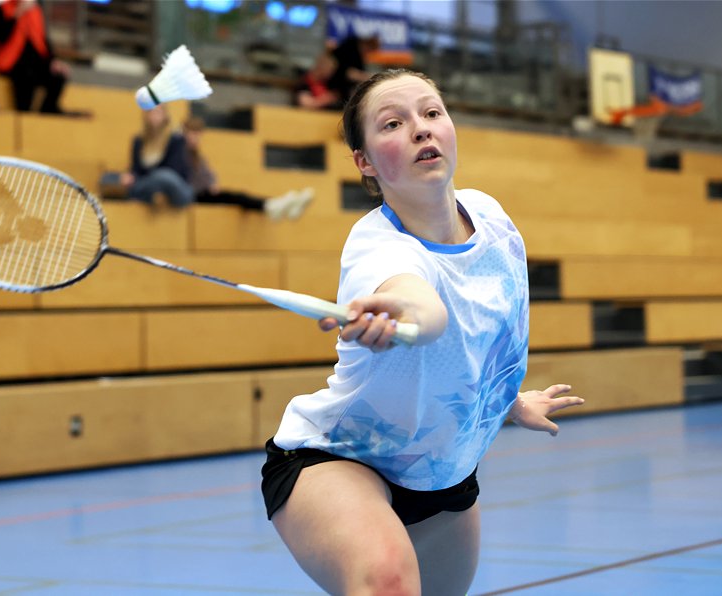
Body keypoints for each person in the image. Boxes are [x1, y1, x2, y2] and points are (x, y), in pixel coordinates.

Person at [261, 69, 584, 595]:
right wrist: (400, 316)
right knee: (388, 581)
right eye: (393, 123)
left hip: (441, 471)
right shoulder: (378, 246)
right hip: (338, 456)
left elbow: (474, 337)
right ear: (364, 161)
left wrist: (502, 402)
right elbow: (427, 312)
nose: (421, 129)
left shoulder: (492, 218)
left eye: (432, 113)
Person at [121, 105, 313, 220]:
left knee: (231, 195)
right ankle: (272, 205)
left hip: (187, 191)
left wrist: (210, 183)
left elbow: (186, 174)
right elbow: (139, 169)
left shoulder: (177, 144)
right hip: (170, 188)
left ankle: (273, 205)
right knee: (159, 178)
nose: (195, 138)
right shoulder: (142, 141)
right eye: (192, 133)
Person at [0, 0, 69, 113]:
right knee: (25, 77)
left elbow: (41, 40)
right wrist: (19, 12)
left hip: (32, 62)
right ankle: (24, 113)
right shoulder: (0, 10)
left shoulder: (35, 11)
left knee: (58, 76)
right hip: (9, 62)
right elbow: (1, 36)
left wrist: (53, 61)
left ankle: (47, 109)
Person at [325, 34, 380, 105]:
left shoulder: (357, 53)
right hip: (335, 85)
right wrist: (364, 76)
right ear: (367, 45)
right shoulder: (349, 49)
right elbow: (349, 73)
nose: (368, 53)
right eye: (370, 50)